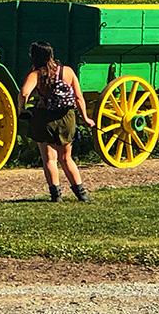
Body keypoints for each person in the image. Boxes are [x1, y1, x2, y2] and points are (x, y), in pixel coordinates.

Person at [17, 41, 95, 202]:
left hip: (44, 119)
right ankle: (81, 194)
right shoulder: (67, 71)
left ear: (34, 56)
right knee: (67, 158)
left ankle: (56, 195)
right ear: (51, 54)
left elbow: (24, 93)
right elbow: (79, 97)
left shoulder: (36, 74)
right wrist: (85, 118)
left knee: (50, 159)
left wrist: (22, 109)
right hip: (66, 118)